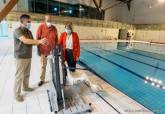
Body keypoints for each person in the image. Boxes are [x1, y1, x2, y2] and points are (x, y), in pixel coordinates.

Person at [14, 14, 48, 102]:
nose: (30, 23)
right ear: (22, 21)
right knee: (19, 76)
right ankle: (16, 94)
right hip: (20, 56)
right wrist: (39, 41)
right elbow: (25, 40)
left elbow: (33, 42)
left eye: (30, 21)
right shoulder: (17, 31)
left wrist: (42, 42)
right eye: (28, 21)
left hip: (28, 56)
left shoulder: (29, 31)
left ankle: (25, 87)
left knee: (26, 74)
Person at [36, 15, 58, 86]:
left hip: (52, 51)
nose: (49, 22)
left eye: (50, 20)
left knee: (53, 66)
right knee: (43, 66)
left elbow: (56, 39)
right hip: (43, 51)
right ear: (45, 20)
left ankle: (54, 79)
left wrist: (56, 48)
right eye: (48, 20)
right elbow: (38, 39)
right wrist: (38, 50)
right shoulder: (41, 27)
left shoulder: (54, 28)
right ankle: (42, 80)